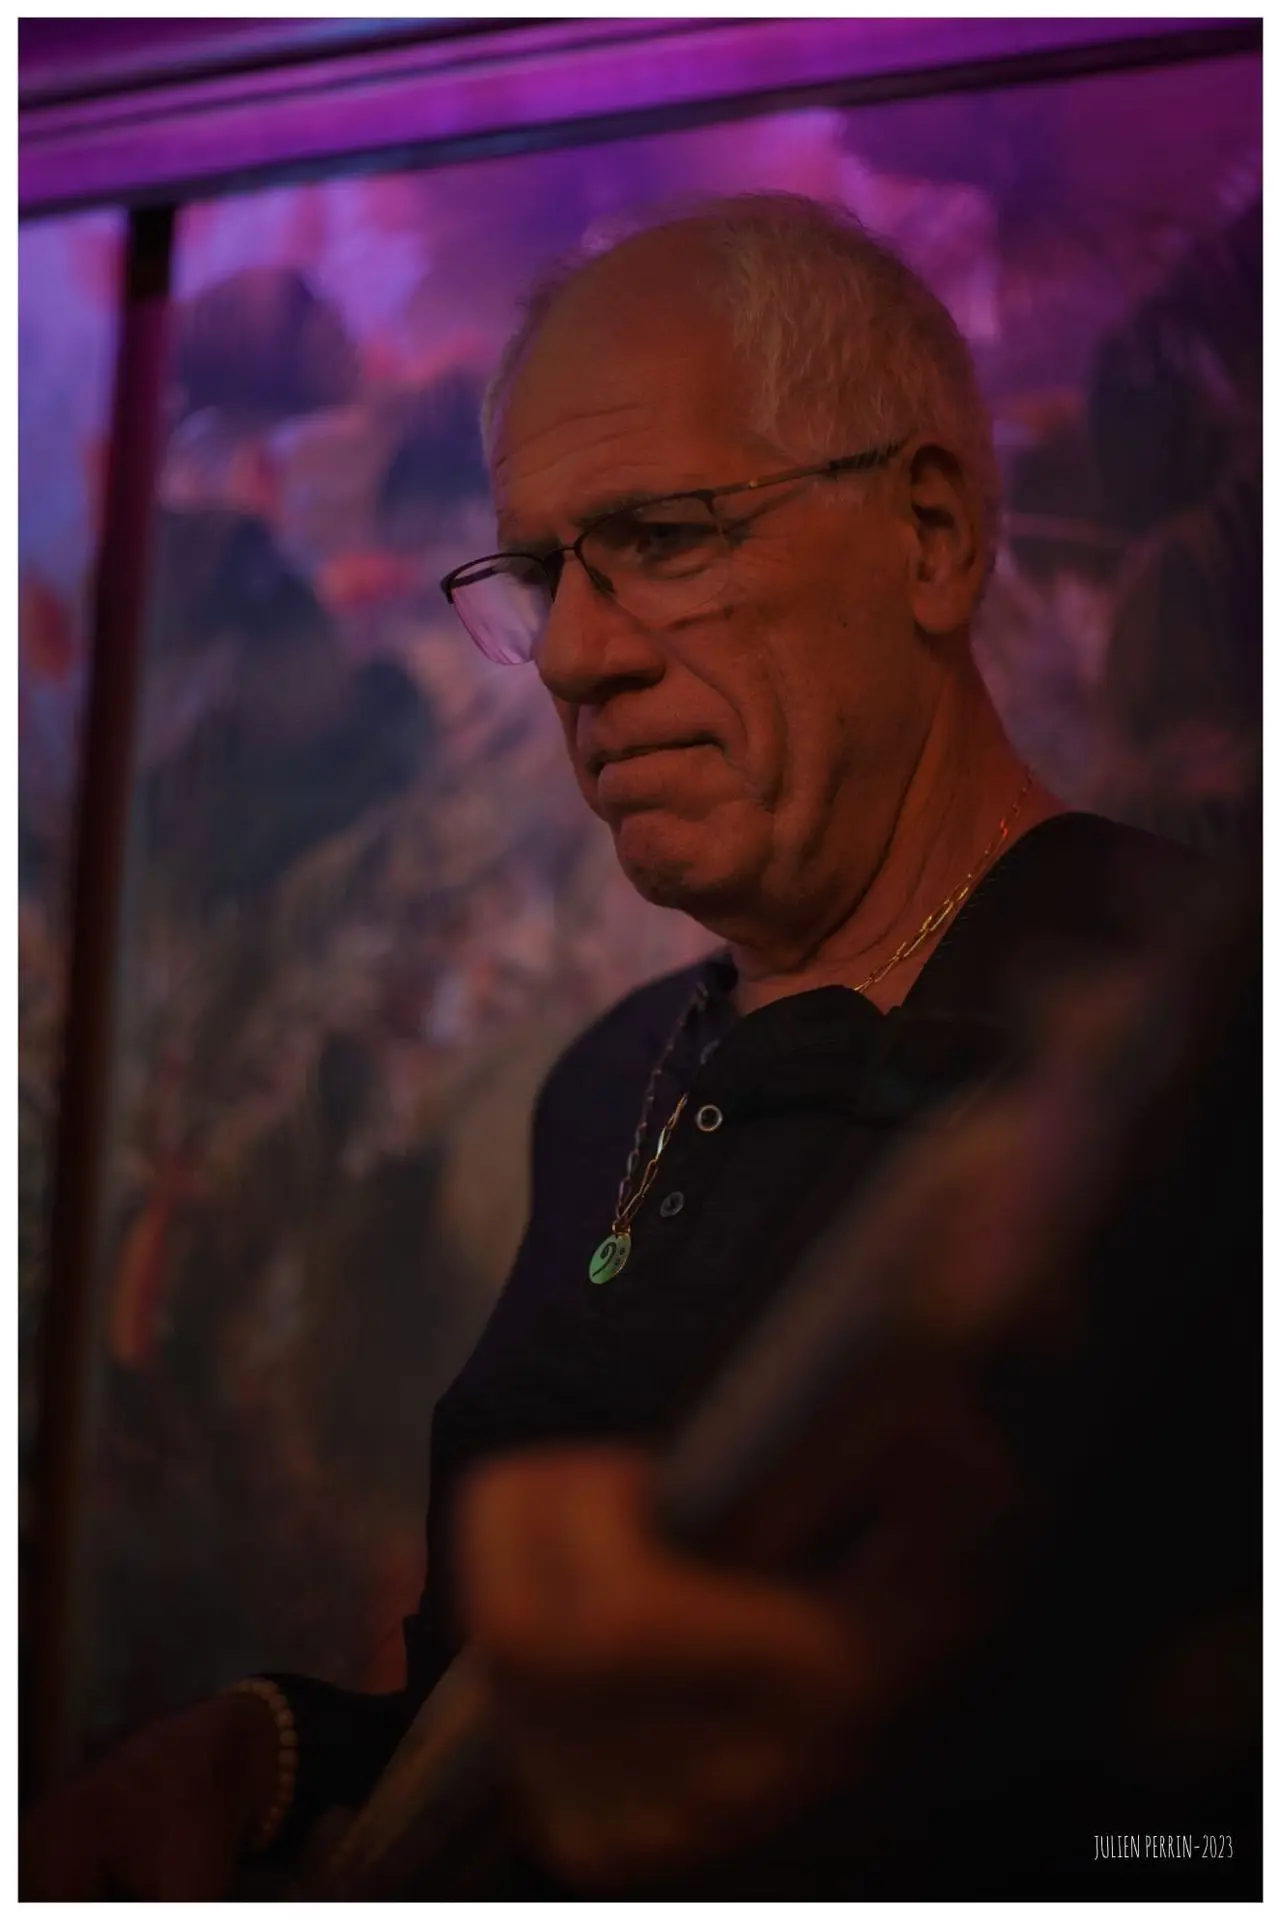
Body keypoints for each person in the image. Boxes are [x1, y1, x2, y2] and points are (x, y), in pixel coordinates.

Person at [22, 193, 1234, 1899]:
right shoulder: (612, 1079)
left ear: (934, 537)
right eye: (539, 575)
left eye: (664, 537)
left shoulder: (1203, 1040)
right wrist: (273, 1753)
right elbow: (502, 1739)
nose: (577, 657)